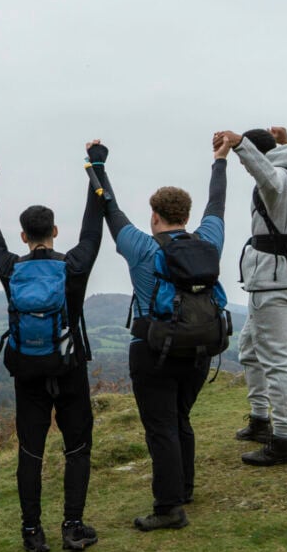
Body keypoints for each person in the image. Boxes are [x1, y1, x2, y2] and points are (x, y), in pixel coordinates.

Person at [93, 135, 230, 530]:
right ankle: (183, 487)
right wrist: (220, 161)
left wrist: (96, 163)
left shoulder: (141, 247)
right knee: (180, 417)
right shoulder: (209, 241)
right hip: (202, 347)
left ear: (155, 217)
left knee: (161, 428)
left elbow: (110, 208)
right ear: (186, 215)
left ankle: (169, 507)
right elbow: (217, 204)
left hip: (154, 351)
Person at [0, 156, 104, 552]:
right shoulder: (75, 265)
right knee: (77, 447)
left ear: (23, 236)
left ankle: (32, 531)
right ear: (54, 231)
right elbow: (93, 226)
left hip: (27, 371)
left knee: (31, 450)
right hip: (69, 368)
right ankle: (72, 525)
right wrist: (95, 165)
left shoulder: (10, 267)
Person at [216, 126, 287, 466]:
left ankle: (284, 441)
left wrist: (240, 146)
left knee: (277, 359)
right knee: (251, 349)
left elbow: (265, 174)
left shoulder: (280, 177)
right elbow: (278, 162)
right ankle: (259, 419)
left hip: (274, 281)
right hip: (273, 278)